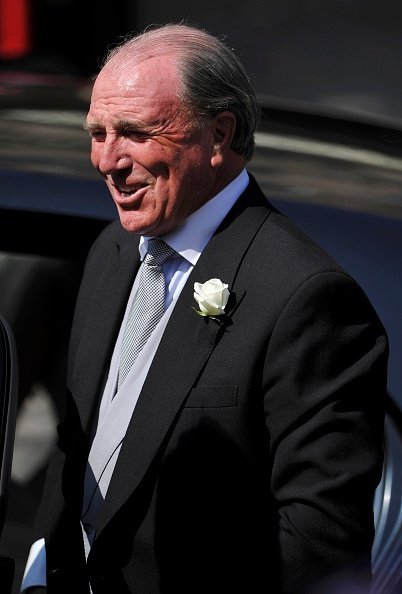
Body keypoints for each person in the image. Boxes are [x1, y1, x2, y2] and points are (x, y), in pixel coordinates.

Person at [22, 23, 388, 594]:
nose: (107, 160)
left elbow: (320, 549)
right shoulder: (113, 249)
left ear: (219, 135)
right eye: (97, 132)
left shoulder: (306, 298)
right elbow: (77, 448)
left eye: (136, 132)